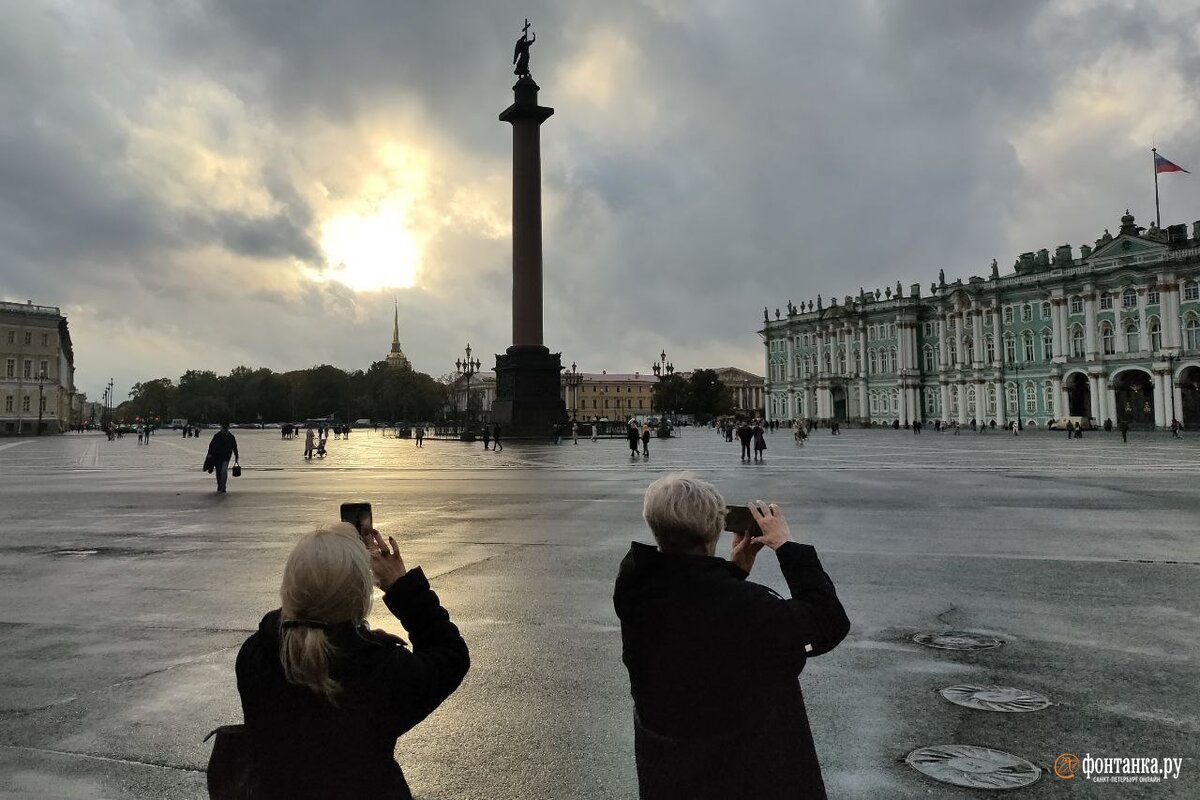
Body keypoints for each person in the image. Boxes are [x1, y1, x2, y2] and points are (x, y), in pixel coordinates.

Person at [613, 474, 850, 800]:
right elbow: (829, 622)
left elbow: (691, 608)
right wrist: (787, 545)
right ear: (714, 530)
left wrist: (733, 571)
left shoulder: (635, 589)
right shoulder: (750, 610)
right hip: (743, 777)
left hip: (668, 777)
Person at [235, 523, 469, 800]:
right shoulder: (383, 671)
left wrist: (353, 636)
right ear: (359, 596)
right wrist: (400, 587)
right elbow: (450, 654)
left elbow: (305, 631)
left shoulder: (256, 654)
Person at [206, 422, 240, 493]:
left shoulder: (231, 437)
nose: (225, 430)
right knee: (219, 472)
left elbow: (234, 447)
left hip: (226, 457)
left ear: (228, 428)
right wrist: (209, 454)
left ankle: (223, 486)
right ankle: (220, 485)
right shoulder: (217, 436)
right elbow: (211, 445)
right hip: (217, 457)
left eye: (226, 428)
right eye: (224, 428)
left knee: (224, 471)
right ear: (221, 428)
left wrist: (236, 456)